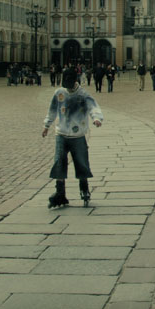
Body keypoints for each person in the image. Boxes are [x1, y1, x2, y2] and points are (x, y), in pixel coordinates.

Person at [42, 66, 103, 208]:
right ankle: (60, 192)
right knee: (59, 162)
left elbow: (93, 106)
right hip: (61, 133)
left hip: (78, 135)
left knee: (81, 162)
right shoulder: (59, 93)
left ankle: (84, 188)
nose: (68, 88)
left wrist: (96, 118)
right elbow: (52, 110)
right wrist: (46, 125)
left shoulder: (82, 94)